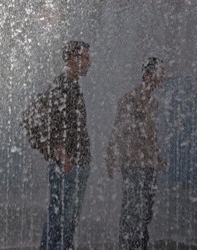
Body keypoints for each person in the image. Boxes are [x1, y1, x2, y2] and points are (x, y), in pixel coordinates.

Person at [105, 57, 167, 250]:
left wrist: (157, 157)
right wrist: (111, 157)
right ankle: (128, 246)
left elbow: (150, 135)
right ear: (147, 75)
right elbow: (118, 129)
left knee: (145, 211)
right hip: (133, 163)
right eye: (159, 73)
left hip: (148, 164)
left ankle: (140, 245)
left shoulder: (153, 103)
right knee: (133, 211)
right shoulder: (130, 99)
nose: (162, 77)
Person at [39, 41, 92, 250]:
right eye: (85, 58)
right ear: (72, 59)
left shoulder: (72, 86)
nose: (89, 62)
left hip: (76, 165)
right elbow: (42, 122)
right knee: (59, 222)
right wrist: (62, 154)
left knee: (66, 224)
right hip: (67, 167)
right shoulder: (61, 86)